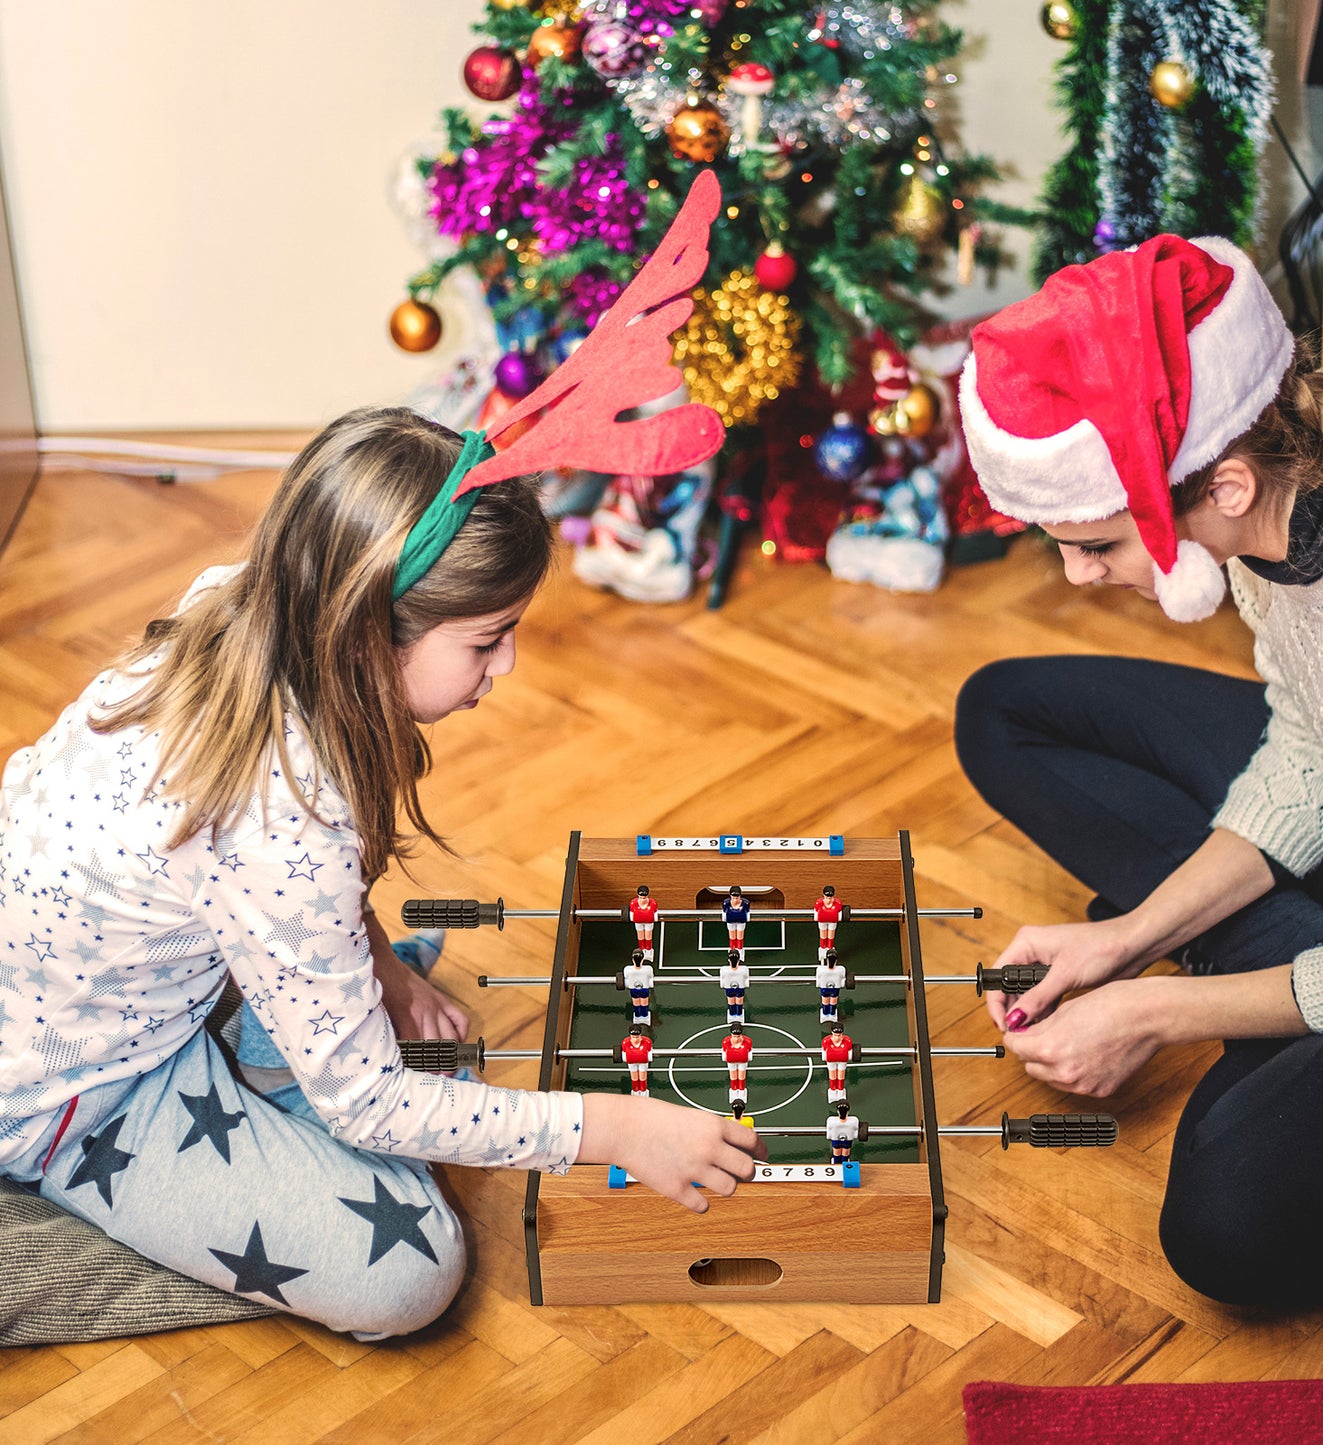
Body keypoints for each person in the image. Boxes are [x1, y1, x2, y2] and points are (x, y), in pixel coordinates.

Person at [0, 407, 764, 1341]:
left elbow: (292, 876)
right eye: (485, 640)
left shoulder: (247, 597)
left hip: (119, 982)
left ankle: (270, 1088)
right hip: (73, 1100)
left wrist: (384, 969)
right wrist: (612, 1130)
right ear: (366, 635)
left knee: (392, 1059)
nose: (508, 663)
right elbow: (365, 1100)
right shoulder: (279, 817)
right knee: (415, 1270)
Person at [952, 232, 1323, 1308]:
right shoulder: (1295, 443)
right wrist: (1128, 939)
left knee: (1222, 1219)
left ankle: (1286, 982)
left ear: (1218, 488)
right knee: (1002, 711)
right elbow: (1315, 733)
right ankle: (1286, 972)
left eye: (1096, 545)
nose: (1079, 577)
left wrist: (1145, 1011)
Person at [721, 1020, 754, 1104]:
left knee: (742, 1077)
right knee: (733, 1076)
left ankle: (742, 1091)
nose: (736, 1038)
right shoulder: (725, 1042)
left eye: (738, 1036)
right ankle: (734, 1090)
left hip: (742, 1062)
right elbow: (724, 1052)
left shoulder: (748, 1042)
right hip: (731, 1062)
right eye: (734, 1036)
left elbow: (749, 1052)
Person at [822, 1022, 853, 1102]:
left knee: (841, 1075)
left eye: (839, 1035)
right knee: (832, 1075)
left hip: (842, 1061)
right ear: (832, 1033)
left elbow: (850, 1051)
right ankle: (832, 1089)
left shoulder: (848, 1041)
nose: (837, 1037)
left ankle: (840, 1090)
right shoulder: (826, 1041)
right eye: (835, 1035)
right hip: (831, 1061)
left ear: (842, 1034)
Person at [623, 948, 654, 1026]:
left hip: (633, 989)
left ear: (633, 959)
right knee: (644, 1003)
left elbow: (625, 977)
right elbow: (651, 976)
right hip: (644, 989)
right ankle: (644, 1016)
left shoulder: (627, 969)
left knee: (636, 1004)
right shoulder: (648, 969)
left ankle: (637, 1016)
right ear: (642, 959)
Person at [621, 1025, 653, 1098]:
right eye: (633, 1037)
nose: (635, 1039)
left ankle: (643, 1091)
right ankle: (635, 1090)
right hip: (632, 1062)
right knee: (634, 1077)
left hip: (643, 1062)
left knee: (642, 1077)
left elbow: (650, 1052)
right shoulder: (625, 1043)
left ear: (640, 1035)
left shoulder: (647, 1042)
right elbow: (624, 1053)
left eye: (637, 1037)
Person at [815, 947, 846, 1024]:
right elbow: (842, 981)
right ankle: (832, 1014)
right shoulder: (841, 969)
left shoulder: (820, 969)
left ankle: (825, 1014)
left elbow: (818, 981)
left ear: (827, 960)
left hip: (824, 989)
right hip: (835, 989)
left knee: (825, 1001)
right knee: (833, 1002)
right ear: (836, 960)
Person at [719, 949, 750, 1025]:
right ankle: (739, 1014)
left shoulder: (723, 969)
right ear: (739, 960)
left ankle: (732, 1014)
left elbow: (722, 982)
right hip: (740, 989)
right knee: (739, 1002)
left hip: (729, 988)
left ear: (729, 960)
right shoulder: (744, 969)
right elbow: (746, 981)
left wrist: (723, 985)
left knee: (731, 1002)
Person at [629, 885, 659, 960]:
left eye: (644, 898)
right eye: (641, 897)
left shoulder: (653, 903)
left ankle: (648, 951)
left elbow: (655, 914)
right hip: (638, 922)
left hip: (649, 922)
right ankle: (642, 950)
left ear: (647, 896)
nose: (642, 900)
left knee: (648, 937)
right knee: (640, 936)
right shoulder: (633, 903)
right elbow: (632, 914)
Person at [814, 885, 843, 960]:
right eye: (827, 898)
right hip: (822, 921)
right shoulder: (818, 903)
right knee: (823, 935)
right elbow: (816, 911)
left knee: (831, 935)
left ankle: (830, 948)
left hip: (832, 921)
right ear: (823, 896)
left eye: (830, 898)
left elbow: (840, 912)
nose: (828, 900)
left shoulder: (838, 903)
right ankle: (823, 948)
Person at [826, 1101, 859, 1166]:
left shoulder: (831, 1120)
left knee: (836, 1152)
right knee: (846, 1151)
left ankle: (837, 1163)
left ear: (838, 1111)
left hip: (835, 1139)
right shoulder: (854, 1120)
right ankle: (845, 1163)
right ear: (848, 1112)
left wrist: (829, 1136)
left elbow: (829, 1135)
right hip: (848, 1140)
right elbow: (856, 1134)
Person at [721, 884, 750, 956]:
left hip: (741, 921)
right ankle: (732, 950)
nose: (735, 900)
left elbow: (747, 911)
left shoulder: (746, 903)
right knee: (732, 936)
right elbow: (724, 911)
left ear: (740, 896)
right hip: (730, 921)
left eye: (737, 898)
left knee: (740, 937)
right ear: (730, 896)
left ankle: (740, 950)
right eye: (733, 898)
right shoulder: (726, 903)